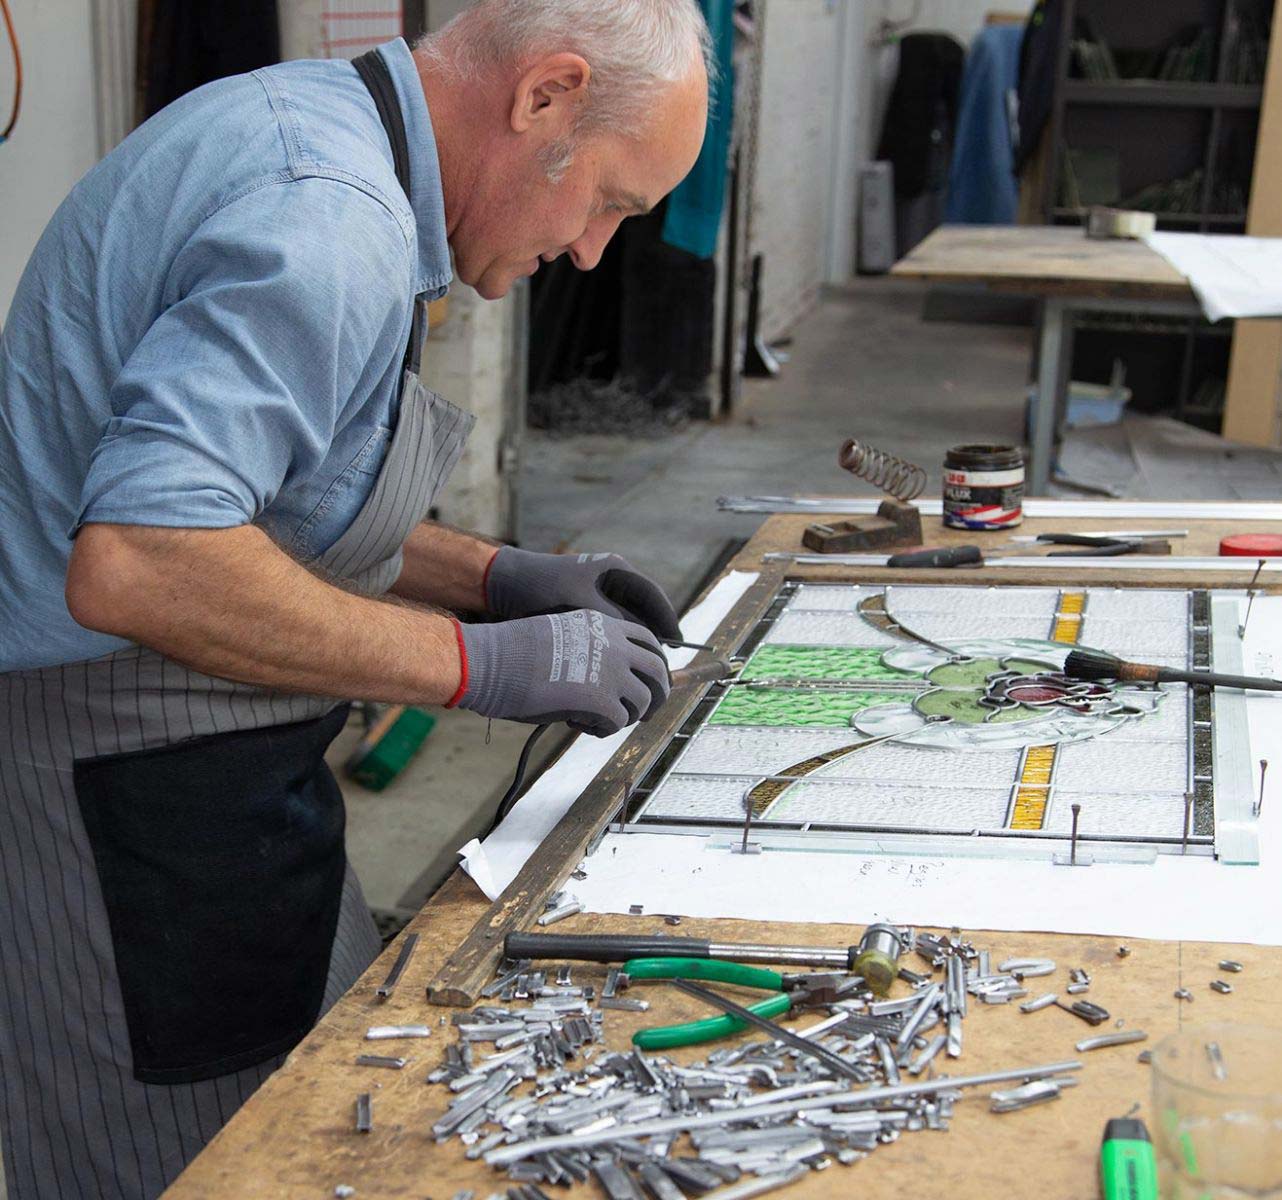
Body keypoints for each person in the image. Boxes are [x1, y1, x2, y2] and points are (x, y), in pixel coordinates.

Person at [0, 1, 711, 1195]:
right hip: (134, 785)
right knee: (209, 1166)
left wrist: (494, 578)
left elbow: (272, 503)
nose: (592, 251)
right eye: (608, 201)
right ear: (546, 96)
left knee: (321, 1106)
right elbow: (143, 556)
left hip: (216, 759)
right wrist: (478, 667)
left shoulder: (315, 130)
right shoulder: (325, 217)